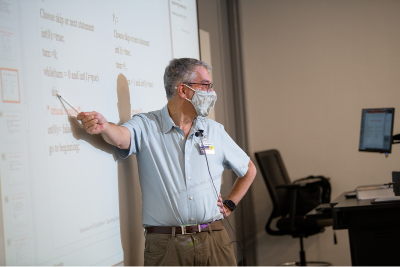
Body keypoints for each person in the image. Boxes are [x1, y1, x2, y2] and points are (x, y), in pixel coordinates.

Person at [77, 58, 257, 267]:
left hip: (214, 240)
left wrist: (229, 204)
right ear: (183, 90)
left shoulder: (214, 130)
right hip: (166, 245)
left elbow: (248, 170)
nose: (211, 92)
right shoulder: (147, 125)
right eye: (205, 85)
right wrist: (104, 126)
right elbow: (121, 137)